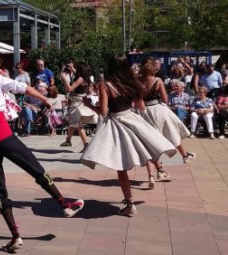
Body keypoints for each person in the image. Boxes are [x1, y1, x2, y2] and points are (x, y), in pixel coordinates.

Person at [0, 53, 84, 252]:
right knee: (35, 169)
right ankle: (64, 204)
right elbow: (25, 88)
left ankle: (16, 236)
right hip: (4, 136)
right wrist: (45, 100)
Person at [81, 56, 176, 216]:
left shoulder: (105, 85)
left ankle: (130, 204)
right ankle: (154, 174)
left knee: (121, 165)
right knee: (144, 148)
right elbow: (141, 106)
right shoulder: (131, 83)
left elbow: (104, 112)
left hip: (116, 123)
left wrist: (88, 104)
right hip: (132, 118)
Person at [137, 57, 196, 188]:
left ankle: (160, 171)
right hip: (157, 109)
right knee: (171, 130)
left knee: (151, 142)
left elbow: (137, 99)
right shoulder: (157, 80)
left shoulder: (137, 81)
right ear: (153, 68)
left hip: (143, 111)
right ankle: (184, 155)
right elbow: (165, 99)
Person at [59, 62, 96, 153]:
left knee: (78, 124)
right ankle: (68, 140)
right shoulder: (87, 79)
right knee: (73, 122)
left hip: (77, 102)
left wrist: (64, 79)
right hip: (81, 101)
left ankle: (86, 145)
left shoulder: (80, 78)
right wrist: (71, 69)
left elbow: (70, 89)